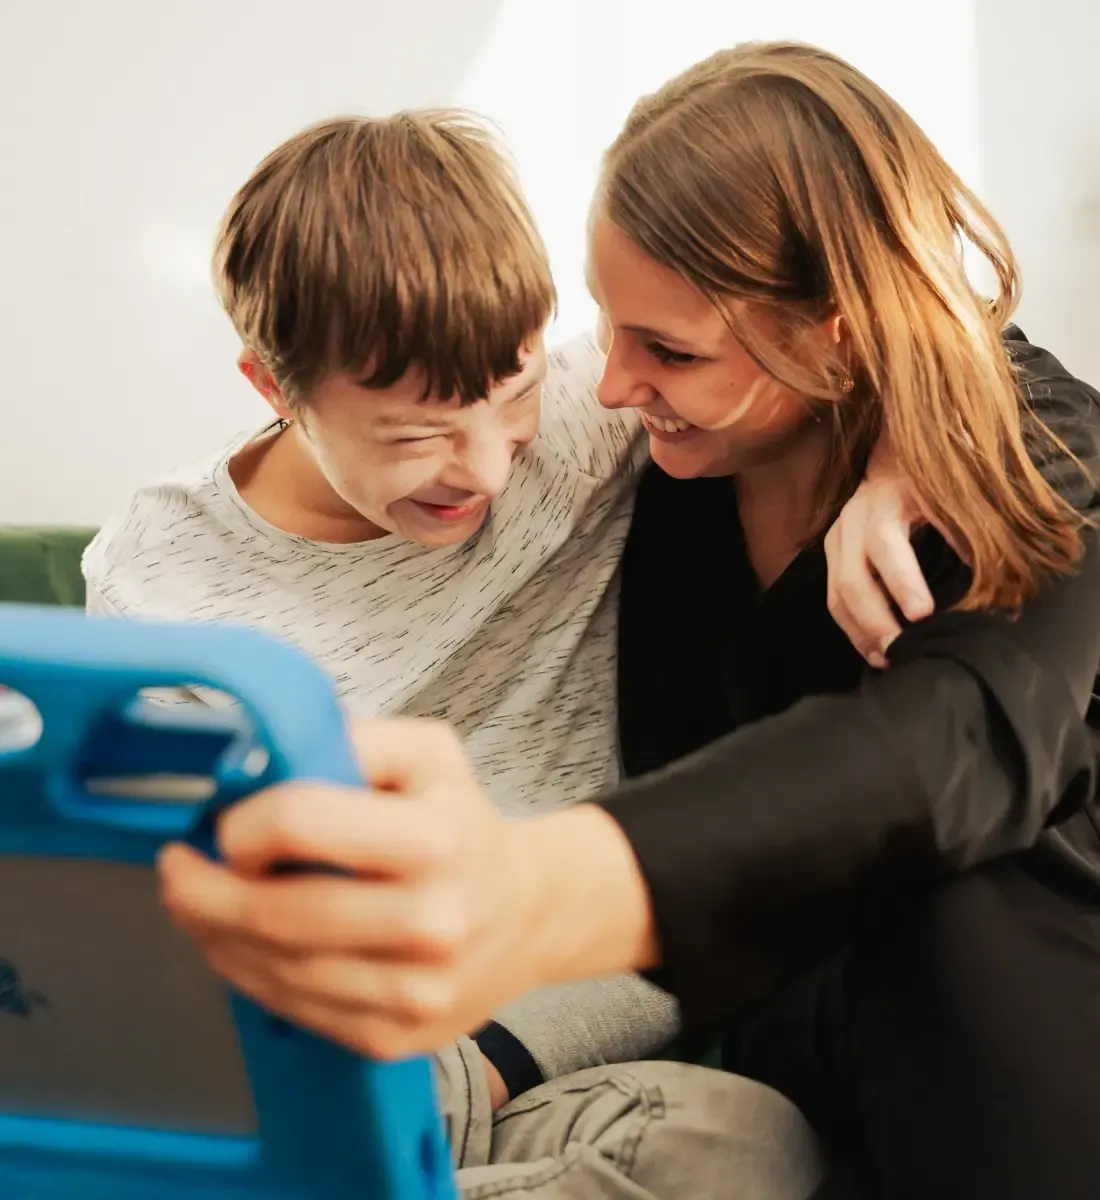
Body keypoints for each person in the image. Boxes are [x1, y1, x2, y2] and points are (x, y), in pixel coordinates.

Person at [158, 42, 1100, 1200]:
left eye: (667, 351)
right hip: (782, 1036)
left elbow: (958, 737)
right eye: (606, 327)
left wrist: (928, 435)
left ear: (837, 334)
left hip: (1009, 996)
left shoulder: (1026, 460)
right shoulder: (652, 463)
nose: (605, 386)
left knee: (941, 943)